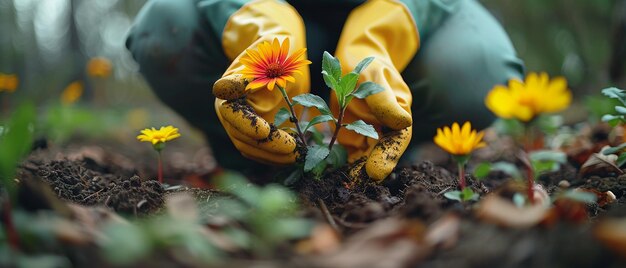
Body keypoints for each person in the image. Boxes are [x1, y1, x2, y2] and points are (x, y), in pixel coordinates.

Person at [126, 0, 524, 181]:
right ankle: (249, 155)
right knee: (163, 28)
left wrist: (382, 30)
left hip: (408, 17)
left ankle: (389, 155)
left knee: (480, 67)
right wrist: (261, 20)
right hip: (283, 21)